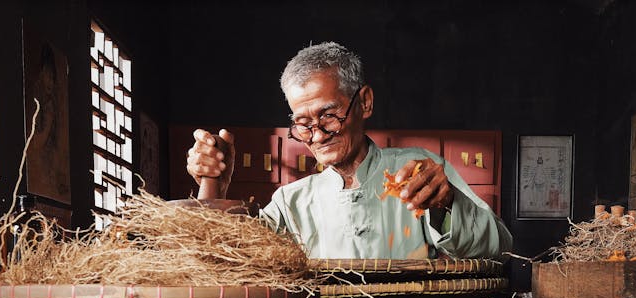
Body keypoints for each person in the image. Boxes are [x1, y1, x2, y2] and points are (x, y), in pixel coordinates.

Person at [186, 42, 512, 260]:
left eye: (329, 116)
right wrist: (214, 183)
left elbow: (498, 246)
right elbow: (223, 259)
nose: (317, 136)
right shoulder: (291, 203)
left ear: (365, 102)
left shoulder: (418, 172)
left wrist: (447, 202)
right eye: (303, 123)